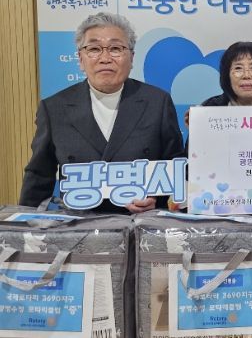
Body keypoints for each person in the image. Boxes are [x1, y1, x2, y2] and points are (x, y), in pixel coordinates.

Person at [20, 12, 185, 213]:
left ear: (131, 57)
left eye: (116, 49)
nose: (105, 58)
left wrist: (155, 200)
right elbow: (38, 176)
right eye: (94, 49)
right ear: (80, 59)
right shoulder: (54, 108)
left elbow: (175, 166)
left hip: (139, 222)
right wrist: (26, 224)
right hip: (79, 225)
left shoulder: (157, 102)